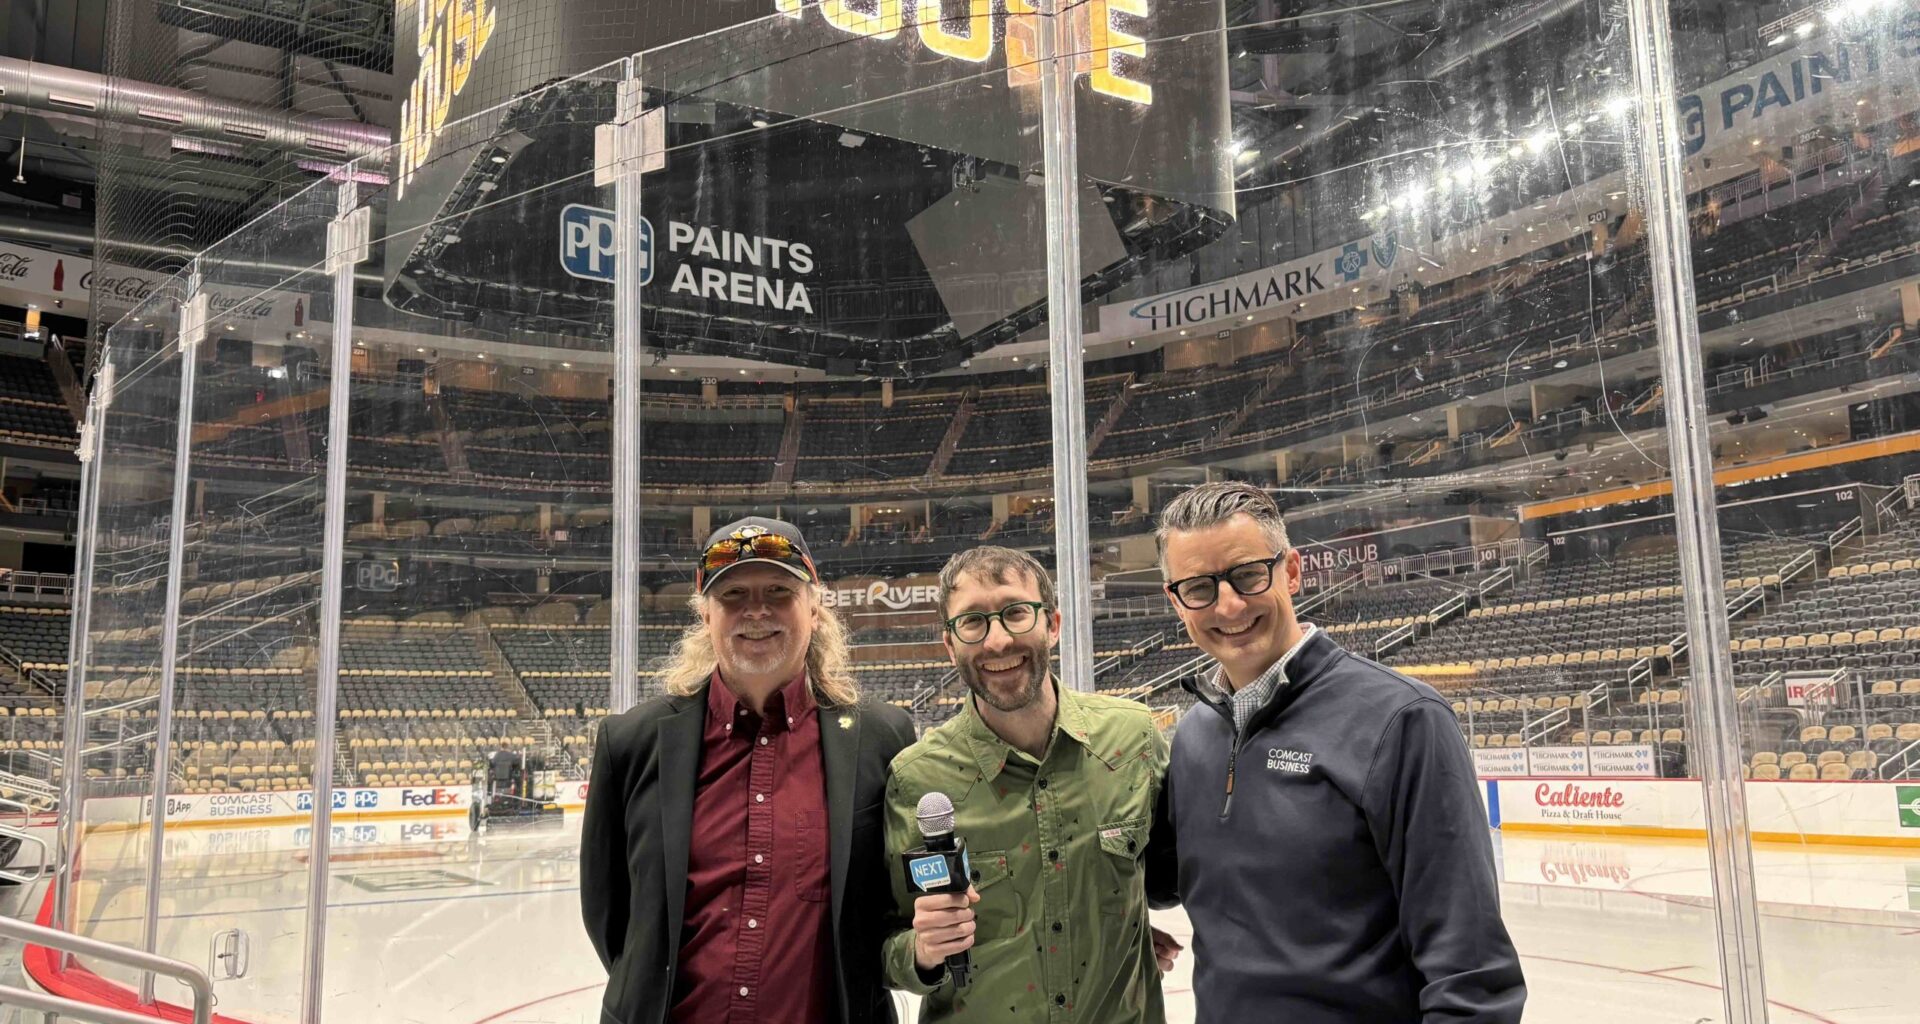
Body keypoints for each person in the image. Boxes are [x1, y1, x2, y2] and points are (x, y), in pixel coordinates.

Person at [1152, 482, 1526, 1023]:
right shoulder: (1194, 736)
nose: (1228, 604)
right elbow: (1157, 882)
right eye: (1199, 587)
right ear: (1175, 600)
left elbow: (1471, 975)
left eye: (1248, 574)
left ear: (1293, 571)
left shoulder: (1402, 720)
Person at [580, 517, 916, 1024]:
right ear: (706, 616)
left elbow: (890, 915)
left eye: (779, 590)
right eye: (733, 594)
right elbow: (614, 920)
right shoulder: (631, 743)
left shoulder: (881, 738)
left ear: (816, 607)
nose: (756, 610)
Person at [882, 546, 1179, 1022]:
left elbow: (1171, 872)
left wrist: (1127, 926)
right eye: (973, 621)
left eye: (1016, 613)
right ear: (949, 644)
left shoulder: (1134, 738)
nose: (998, 640)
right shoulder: (916, 778)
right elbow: (882, 949)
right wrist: (920, 950)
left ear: (1053, 625)